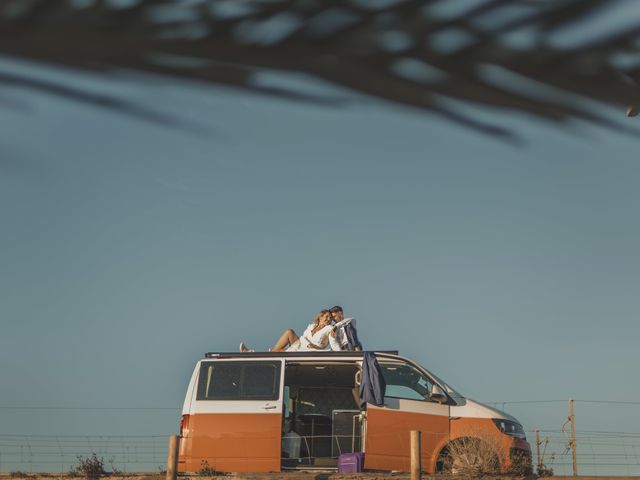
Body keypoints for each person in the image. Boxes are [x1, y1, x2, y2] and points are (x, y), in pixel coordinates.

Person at [240, 310, 335, 352]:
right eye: (327, 317)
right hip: (301, 344)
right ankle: (253, 353)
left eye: (330, 318)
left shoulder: (329, 328)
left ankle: (252, 353)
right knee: (289, 331)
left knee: (276, 352)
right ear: (320, 316)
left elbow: (332, 339)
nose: (328, 319)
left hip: (310, 349)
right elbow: (303, 337)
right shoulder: (311, 326)